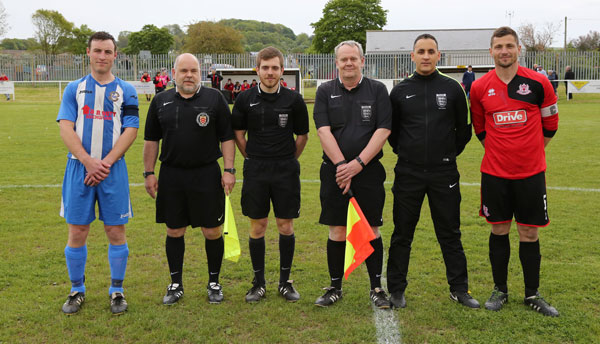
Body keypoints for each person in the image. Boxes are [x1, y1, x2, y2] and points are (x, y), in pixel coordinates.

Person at [470, 26, 560, 317]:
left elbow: (551, 124)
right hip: (495, 174)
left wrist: (530, 150)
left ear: (519, 49)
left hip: (531, 173)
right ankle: (500, 290)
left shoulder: (538, 83)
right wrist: (502, 152)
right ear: (491, 51)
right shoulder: (480, 87)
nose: (504, 51)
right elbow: (480, 129)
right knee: (499, 229)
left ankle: (532, 293)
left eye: (509, 46)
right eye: (499, 47)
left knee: (529, 233)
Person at [386, 34, 479, 310]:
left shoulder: (452, 88)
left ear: (439, 55)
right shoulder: (400, 91)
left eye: (431, 51)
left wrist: (446, 155)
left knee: (450, 232)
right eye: (420, 51)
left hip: (444, 173)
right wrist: (408, 153)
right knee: (403, 233)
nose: (426, 56)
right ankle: (397, 290)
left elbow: (464, 131)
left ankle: (459, 289)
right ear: (412, 56)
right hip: (408, 173)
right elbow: (392, 133)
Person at [143, 53, 236, 306]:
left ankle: (214, 283)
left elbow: (227, 137)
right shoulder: (161, 101)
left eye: (193, 71)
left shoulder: (214, 98)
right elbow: (151, 140)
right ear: (174, 74)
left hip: (206, 174)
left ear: (200, 73)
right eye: (183, 71)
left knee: (212, 230)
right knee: (174, 229)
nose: (189, 75)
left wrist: (229, 170)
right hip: (172, 174)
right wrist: (149, 173)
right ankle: (175, 284)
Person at [57, 31, 139, 316]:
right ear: (88, 54)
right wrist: (88, 161)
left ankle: (117, 290)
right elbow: (66, 126)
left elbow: (131, 130)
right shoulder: (73, 88)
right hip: (79, 168)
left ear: (115, 55)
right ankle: (76, 290)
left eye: (108, 51)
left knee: (115, 230)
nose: (102, 56)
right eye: (97, 51)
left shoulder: (126, 90)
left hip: (113, 169)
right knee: (77, 230)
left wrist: (103, 163)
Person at [313, 40, 392, 308]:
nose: (348, 63)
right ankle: (335, 287)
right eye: (343, 59)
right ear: (336, 62)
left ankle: (377, 288)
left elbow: (383, 130)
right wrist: (341, 166)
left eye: (353, 59)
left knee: (371, 229)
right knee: (337, 230)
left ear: (362, 61)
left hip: (368, 172)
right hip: (334, 173)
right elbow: (323, 130)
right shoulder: (324, 91)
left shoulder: (378, 90)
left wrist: (357, 163)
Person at [232, 46, 309, 303]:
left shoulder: (294, 100)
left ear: (282, 71)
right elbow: (238, 135)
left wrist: (287, 159)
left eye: (275, 67)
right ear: (257, 70)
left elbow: (302, 136)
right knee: (258, 226)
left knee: (285, 225)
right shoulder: (244, 100)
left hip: (285, 169)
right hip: (256, 170)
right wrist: (252, 158)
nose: (270, 72)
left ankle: (285, 282)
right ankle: (259, 283)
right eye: (265, 67)